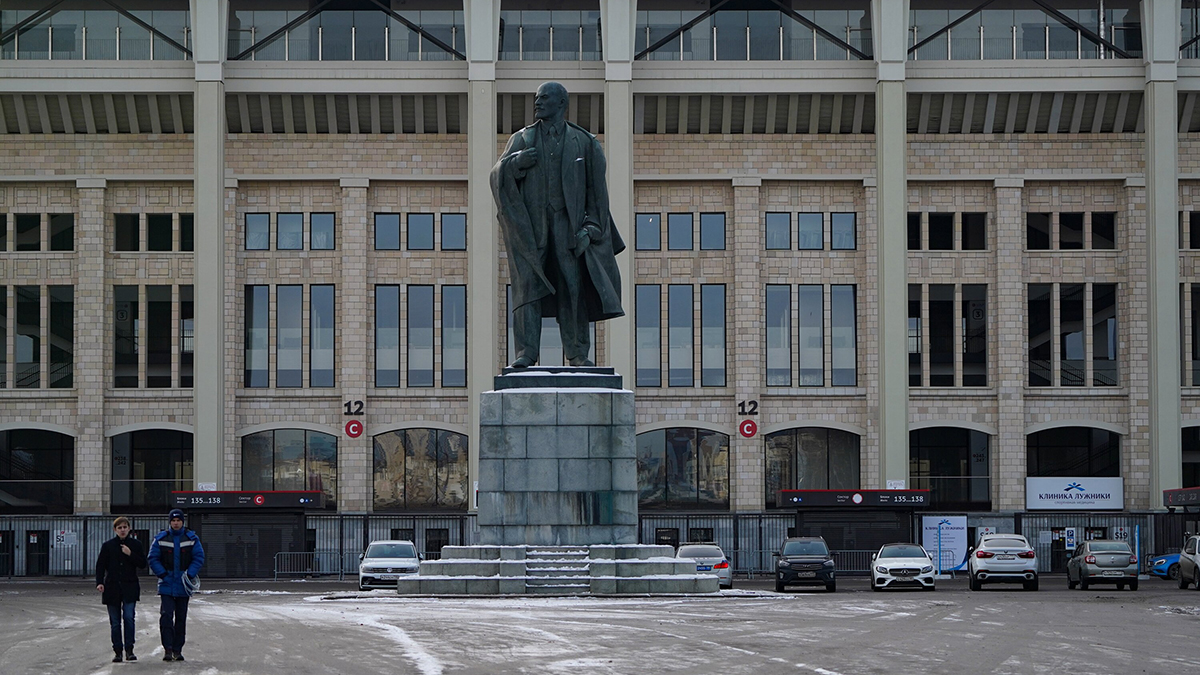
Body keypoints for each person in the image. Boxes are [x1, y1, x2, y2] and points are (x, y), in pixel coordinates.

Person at [491, 81, 625, 368]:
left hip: (569, 227)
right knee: (526, 286)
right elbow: (497, 176)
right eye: (536, 98)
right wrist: (516, 163)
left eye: (544, 98)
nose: (537, 103)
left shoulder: (585, 142)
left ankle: (576, 352)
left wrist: (591, 228)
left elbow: (598, 195)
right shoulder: (522, 139)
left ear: (561, 103)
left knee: (572, 286)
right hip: (532, 228)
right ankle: (526, 353)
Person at [148, 508, 205, 662]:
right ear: (169, 522)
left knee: (181, 619)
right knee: (166, 617)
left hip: (183, 585)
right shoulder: (161, 538)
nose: (176, 523)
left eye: (178, 520)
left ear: (182, 521)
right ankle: (168, 649)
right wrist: (163, 575)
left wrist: (190, 574)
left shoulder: (192, 538)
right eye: (173, 521)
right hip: (166, 583)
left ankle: (177, 650)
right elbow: (153, 558)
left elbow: (198, 557)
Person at [95, 516, 146, 663]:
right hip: (112, 587)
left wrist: (130, 554)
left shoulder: (136, 544)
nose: (122, 530)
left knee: (129, 618)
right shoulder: (108, 546)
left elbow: (143, 564)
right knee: (115, 622)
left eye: (125, 527)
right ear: (115, 530)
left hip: (129, 586)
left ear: (129, 528)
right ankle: (117, 651)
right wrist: (99, 582)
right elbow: (100, 566)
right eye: (119, 528)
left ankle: (129, 649)